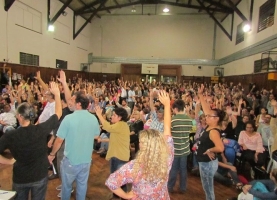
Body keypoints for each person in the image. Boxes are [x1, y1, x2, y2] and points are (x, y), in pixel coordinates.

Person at [105, 90, 174, 199]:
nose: (140, 144)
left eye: (141, 142)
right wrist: (167, 104)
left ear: (143, 146)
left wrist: (126, 196)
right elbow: (167, 129)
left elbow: (111, 182)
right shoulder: (166, 159)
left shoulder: (135, 166)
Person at [0, 82, 62, 200]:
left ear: (19, 116)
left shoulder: (11, 135)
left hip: (21, 178)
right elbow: (58, 113)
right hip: (39, 175)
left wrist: (8, 162)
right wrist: (57, 94)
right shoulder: (41, 129)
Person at [48, 85, 100, 199]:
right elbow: (96, 135)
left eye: (73, 100)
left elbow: (59, 140)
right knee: (82, 186)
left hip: (71, 160)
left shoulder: (69, 119)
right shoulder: (93, 118)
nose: (70, 102)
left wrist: (52, 154)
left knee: (66, 187)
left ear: (78, 104)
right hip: (86, 160)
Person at [195, 84, 225, 200]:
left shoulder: (213, 131)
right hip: (205, 162)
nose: (206, 117)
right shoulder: (210, 124)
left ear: (216, 118)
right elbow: (206, 108)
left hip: (208, 163)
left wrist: (210, 150)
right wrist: (200, 94)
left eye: (209, 116)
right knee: (207, 187)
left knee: (208, 188)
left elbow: (220, 148)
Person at [95, 106, 130, 199]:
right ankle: (117, 196)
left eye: (114, 115)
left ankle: (123, 197)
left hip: (120, 157)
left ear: (120, 118)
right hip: (117, 156)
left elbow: (107, 127)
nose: (112, 117)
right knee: (116, 179)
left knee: (120, 180)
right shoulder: (119, 126)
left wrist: (99, 114)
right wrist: (103, 140)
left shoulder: (121, 125)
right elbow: (114, 139)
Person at [168, 99, 192, 193]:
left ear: (176, 108)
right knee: (183, 170)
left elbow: (169, 133)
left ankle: (170, 187)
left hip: (175, 149)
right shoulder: (189, 119)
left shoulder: (173, 119)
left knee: (173, 169)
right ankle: (183, 188)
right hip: (185, 148)